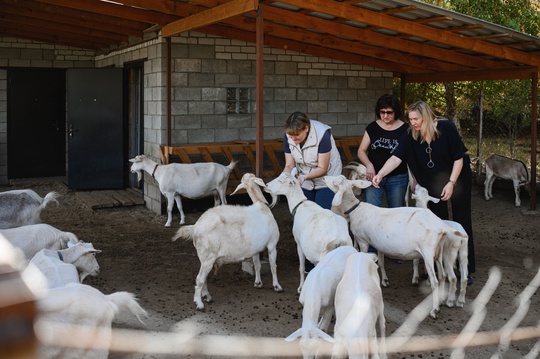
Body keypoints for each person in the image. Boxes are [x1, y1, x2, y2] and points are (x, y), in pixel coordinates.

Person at [372, 101, 476, 284]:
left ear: (426, 117)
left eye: (416, 119)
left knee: (461, 220)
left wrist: (451, 183)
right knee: (437, 223)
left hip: (457, 178)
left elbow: (459, 158)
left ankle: (465, 269)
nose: (413, 123)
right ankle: (439, 267)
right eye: (410, 119)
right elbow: (396, 158)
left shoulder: (447, 128)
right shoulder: (410, 135)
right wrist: (380, 173)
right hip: (433, 181)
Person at [282, 111, 342, 210]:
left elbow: (323, 168)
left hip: (327, 179)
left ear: (306, 128)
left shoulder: (323, 134)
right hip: (303, 176)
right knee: (304, 211)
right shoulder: (289, 135)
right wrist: (283, 178)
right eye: (290, 136)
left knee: (322, 213)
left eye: (296, 135)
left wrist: (304, 177)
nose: (293, 138)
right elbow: (289, 165)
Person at [358, 94, 409, 208]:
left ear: (396, 112)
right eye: (382, 112)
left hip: (398, 177)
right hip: (373, 175)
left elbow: (399, 158)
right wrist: (368, 164)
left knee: (396, 212)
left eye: (389, 112)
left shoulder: (405, 129)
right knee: (372, 210)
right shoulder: (372, 127)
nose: (385, 115)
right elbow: (361, 150)